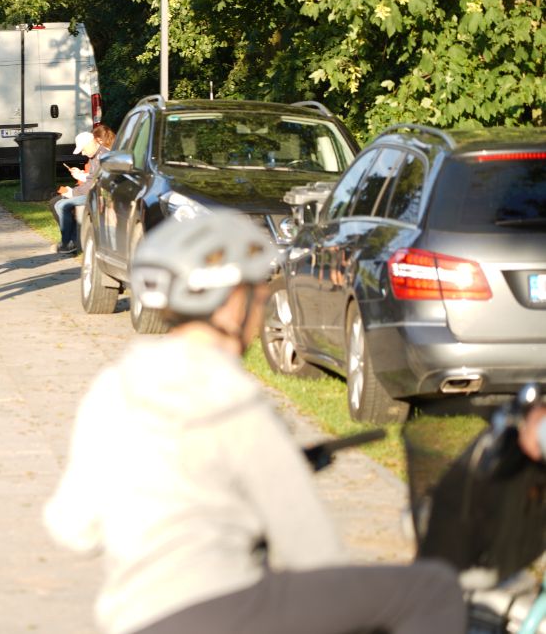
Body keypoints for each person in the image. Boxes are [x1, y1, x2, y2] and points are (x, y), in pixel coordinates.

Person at [44, 212, 463, 634]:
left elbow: (73, 527)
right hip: (222, 610)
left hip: (136, 619)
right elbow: (312, 553)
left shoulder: (114, 387)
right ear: (230, 303)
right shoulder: (235, 403)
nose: (262, 312)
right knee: (432, 589)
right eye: (259, 298)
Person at [52, 130, 104, 254]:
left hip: (97, 195)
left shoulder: (101, 157)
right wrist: (80, 178)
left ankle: (68, 243)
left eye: (84, 149)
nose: (83, 153)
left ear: (91, 143)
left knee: (63, 205)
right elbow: (91, 179)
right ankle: (72, 240)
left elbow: (93, 184)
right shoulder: (94, 157)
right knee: (59, 204)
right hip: (91, 192)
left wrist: (73, 193)